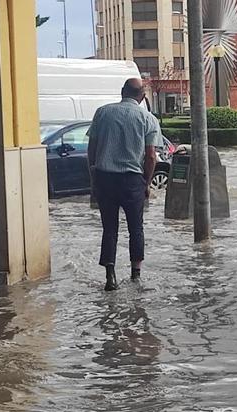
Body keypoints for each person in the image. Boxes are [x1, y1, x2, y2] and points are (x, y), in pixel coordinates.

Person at [87, 78, 162, 291]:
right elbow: (150, 157)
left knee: (109, 229)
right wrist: (146, 183)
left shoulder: (102, 113)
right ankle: (135, 275)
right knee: (136, 228)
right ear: (142, 97)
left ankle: (110, 276)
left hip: (105, 177)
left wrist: (93, 180)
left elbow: (91, 150)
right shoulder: (148, 118)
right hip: (132, 180)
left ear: (122, 92)